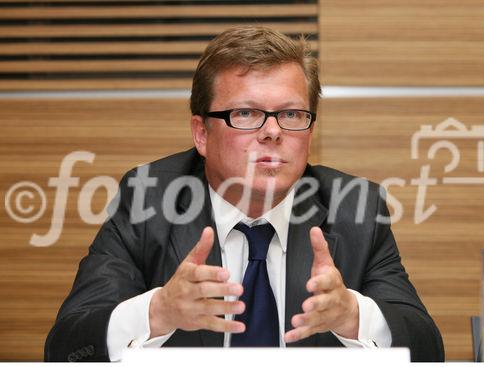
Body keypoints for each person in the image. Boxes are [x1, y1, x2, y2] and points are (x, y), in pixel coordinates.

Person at [44, 26, 444, 362]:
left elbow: (429, 350)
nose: (273, 131)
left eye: (290, 114)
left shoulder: (356, 206)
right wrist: (157, 312)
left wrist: (355, 317)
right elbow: (66, 348)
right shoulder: (149, 199)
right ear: (201, 133)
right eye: (247, 114)